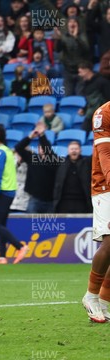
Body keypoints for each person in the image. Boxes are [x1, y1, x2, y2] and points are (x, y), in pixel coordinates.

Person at [83, 100, 110, 323]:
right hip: (106, 186)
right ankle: (91, 296)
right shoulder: (104, 113)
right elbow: (105, 155)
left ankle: (103, 301)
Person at [0, 125, 28, 265]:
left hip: (2, 192)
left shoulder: (0, 152)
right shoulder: (6, 151)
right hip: (8, 192)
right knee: (1, 224)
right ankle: (2, 256)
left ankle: (20, 247)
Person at [53, 141, 92, 213]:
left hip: (82, 202)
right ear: (68, 151)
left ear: (80, 150)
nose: (74, 150)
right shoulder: (60, 163)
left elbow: (97, 154)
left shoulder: (86, 162)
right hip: (63, 203)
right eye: (72, 149)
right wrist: (42, 136)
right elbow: (49, 154)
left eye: (76, 149)